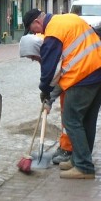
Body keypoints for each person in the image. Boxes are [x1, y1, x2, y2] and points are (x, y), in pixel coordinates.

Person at [23, 8, 101, 180]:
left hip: (84, 77)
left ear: (36, 22)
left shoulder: (53, 32)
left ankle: (84, 167)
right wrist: (50, 94)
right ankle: (79, 160)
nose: (36, 33)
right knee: (87, 120)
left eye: (33, 30)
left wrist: (44, 90)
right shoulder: (68, 19)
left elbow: (49, 70)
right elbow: (62, 67)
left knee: (71, 119)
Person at [19, 33, 73, 165]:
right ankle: (66, 147)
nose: (32, 59)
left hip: (72, 84)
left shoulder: (51, 52)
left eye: (32, 56)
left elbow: (58, 76)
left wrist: (49, 99)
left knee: (70, 119)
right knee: (66, 117)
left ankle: (70, 150)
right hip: (67, 86)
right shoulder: (46, 52)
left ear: (37, 50)